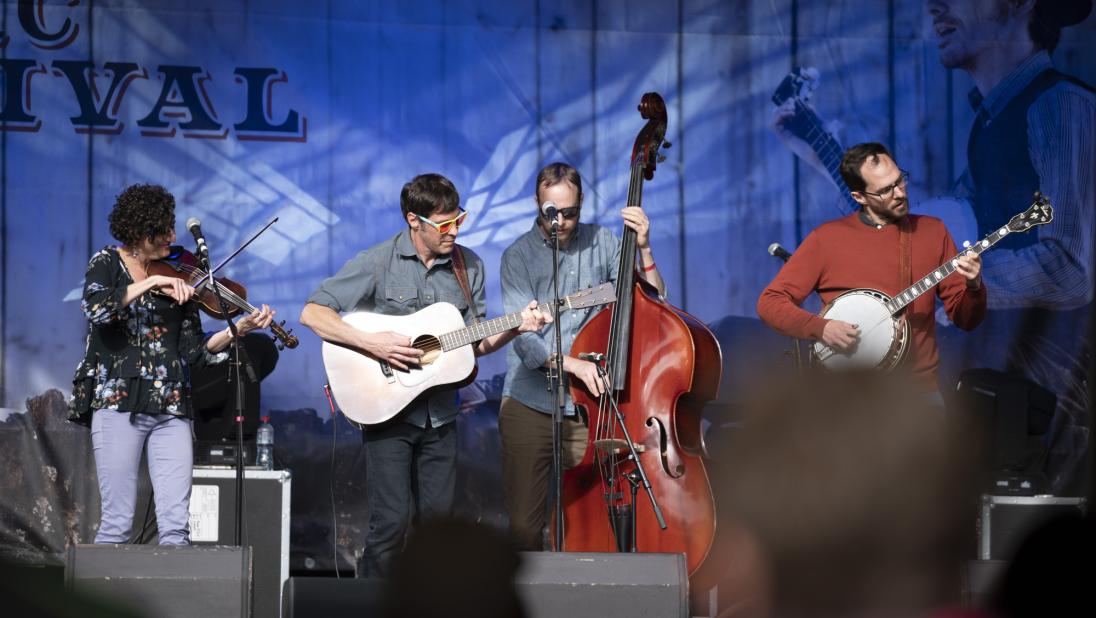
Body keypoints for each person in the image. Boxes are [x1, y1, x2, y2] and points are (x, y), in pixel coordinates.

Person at [299, 173, 549, 577]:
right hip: (389, 414)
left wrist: (517, 326)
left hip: (441, 417)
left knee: (437, 529)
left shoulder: (469, 266)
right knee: (389, 526)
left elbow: (475, 344)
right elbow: (313, 313)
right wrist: (374, 344)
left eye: (459, 220)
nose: (454, 231)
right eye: (444, 224)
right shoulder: (378, 261)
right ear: (414, 221)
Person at [926, 0, 1095, 492]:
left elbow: (1072, 266)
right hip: (1005, 409)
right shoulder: (989, 123)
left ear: (1018, 3)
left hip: (1057, 422)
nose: (934, 6)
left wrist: (950, 284)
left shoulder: (1060, 106)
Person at [68, 183, 274, 545]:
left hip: (171, 405)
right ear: (138, 231)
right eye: (162, 230)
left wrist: (237, 329)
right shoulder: (107, 263)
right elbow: (97, 309)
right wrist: (150, 284)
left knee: (177, 529)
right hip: (119, 402)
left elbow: (196, 350)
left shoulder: (181, 275)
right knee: (117, 523)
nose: (172, 237)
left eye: (171, 227)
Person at [498, 162, 665, 551]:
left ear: (582, 205)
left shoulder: (605, 242)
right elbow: (525, 342)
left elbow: (652, 304)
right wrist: (574, 365)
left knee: (589, 517)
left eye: (569, 213)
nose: (560, 221)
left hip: (591, 407)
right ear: (537, 205)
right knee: (524, 525)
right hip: (530, 402)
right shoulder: (517, 257)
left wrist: (643, 247)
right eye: (550, 212)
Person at [756, 143, 987, 396]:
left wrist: (974, 286)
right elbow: (770, 302)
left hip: (918, 397)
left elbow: (966, 321)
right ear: (859, 197)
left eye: (900, 181)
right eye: (886, 190)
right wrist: (821, 327)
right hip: (848, 399)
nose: (899, 193)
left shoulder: (933, 231)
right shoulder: (827, 239)